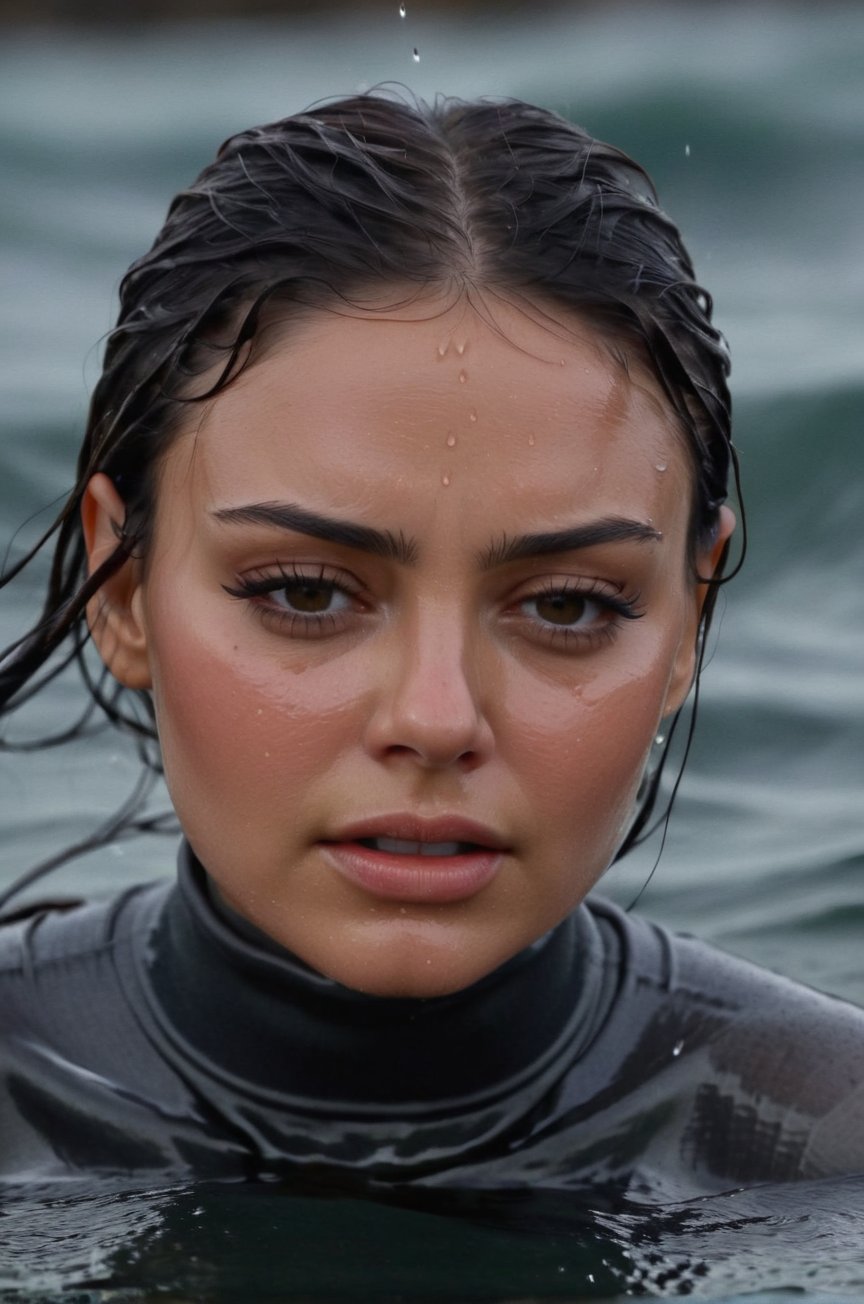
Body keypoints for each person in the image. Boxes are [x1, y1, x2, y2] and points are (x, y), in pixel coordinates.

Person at [0, 93, 862, 1199]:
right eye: (305, 591)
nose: (436, 716)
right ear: (122, 589)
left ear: (690, 618)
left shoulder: (825, 1142)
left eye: (565, 606)